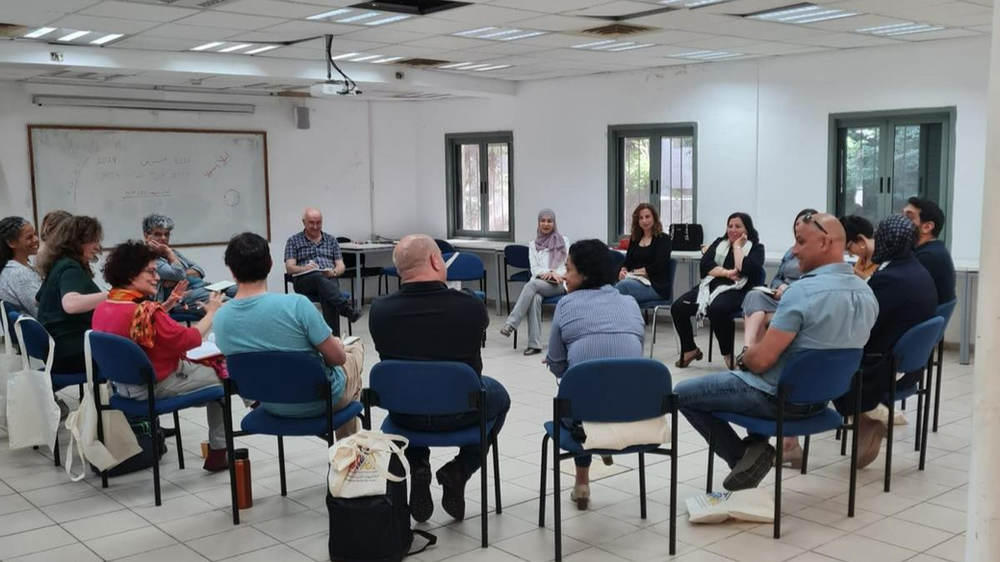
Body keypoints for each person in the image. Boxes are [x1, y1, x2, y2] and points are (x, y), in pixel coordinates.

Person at [675, 213, 877, 491]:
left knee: (682, 394)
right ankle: (755, 446)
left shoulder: (802, 293)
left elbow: (761, 361)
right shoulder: (867, 293)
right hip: (822, 400)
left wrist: (745, 355)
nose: (794, 250)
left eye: (800, 242)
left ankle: (742, 457)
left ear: (826, 242)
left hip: (779, 399)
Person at [369, 234, 510, 523]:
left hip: (405, 415)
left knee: (416, 385)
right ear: (436, 260)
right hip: (462, 412)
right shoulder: (470, 306)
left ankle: (418, 462)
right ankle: (461, 468)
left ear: (399, 271)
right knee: (500, 397)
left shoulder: (379, 311)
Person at [91, 241, 229, 471]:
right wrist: (213, 311)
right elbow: (190, 338)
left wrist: (166, 306)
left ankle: (252, 404)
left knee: (213, 367)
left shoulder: (105, 308)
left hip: (123, 388)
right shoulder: (147, 312)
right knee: (224, 375)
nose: (156, 278)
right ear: (132, 274)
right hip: (154, 388)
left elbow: (138, 329)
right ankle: (219, 452)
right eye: (151, 272)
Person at [213, 232, 364, 438]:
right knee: (354, 349)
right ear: (270, 263)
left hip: (270, 402)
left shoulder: (220, 317)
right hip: (319, 399)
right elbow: (337, 359)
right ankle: (348, 458)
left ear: (231, 270)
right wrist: (335, 345)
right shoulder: (296, 305)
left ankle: (347, 455)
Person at [546, 239, 644, 509]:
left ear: (585, 274)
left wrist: (577, 368)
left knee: (575, 395)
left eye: (568, 268)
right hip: (634, 413)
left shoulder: (566, 305)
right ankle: (603, 444)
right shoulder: (631, 303)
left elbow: (555, 363)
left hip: (583, 417)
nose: (564, 275)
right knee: (589, 386)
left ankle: (582, 483)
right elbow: (636, 358)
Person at [834, 214, 937, 469]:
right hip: (907, 363)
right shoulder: (918, 271)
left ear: (887, 241)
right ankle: (865, 419)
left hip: (879, 364)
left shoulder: (889, 278)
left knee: (822, 359)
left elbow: (866, 324)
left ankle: (865, 417)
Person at [670, 212, 766, 370]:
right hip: (710, 287)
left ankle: (728, 354)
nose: (733, 230)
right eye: (730, 226)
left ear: (747, 229)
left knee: (717, 309)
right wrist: (727, 273)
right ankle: (689, 349)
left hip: (738, 290)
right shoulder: (720, 243)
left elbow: (746, 269)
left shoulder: (756, 248)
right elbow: (705, 264)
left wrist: (737, 247)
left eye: (737, 226)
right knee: (678, 307)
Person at [35, 216, 107, 374]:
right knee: (131, 351)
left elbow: (38, 298)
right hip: (71, 352)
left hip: (57, 350)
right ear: (76, 242)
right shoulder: (70, 269)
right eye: (92, 241)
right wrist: (113, 295)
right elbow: (71, 305)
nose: (97, 247)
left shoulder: (59, 264)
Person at [741, 208, 817, 347]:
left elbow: (813, 281)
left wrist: (788, 289)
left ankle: (756, 357)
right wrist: (778, 287)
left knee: (765, 318)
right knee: (754, 295)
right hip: (780, 295)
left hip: (799, 298)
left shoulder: (818, 251)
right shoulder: (791, 251)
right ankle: (748, 347)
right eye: (797, 224)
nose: (798, 227)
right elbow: (778, 276)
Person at [499, 209, 569, 356]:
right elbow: (535, 269)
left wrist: (557, 274)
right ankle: (534, 345)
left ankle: (511, 324)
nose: (546, 224)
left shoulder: (564, 241)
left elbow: (567, 266)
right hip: (542, 282)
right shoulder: (533, 244)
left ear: (554, 223)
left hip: (559, 284)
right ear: (538, 223)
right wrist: (550, 273)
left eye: (550, 221)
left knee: (531, 286)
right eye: (543, 221)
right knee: (534, 297)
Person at [284, 208, 362, 336]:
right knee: (318, 277)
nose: (315, 226)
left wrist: (333, 272)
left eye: (318, 223)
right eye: (311, 223)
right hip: (304, 280)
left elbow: (341, 265)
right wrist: (306, 268)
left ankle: (333, 338)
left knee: (327, 290)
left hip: (328, 279)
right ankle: (346, 310)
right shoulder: (293, 241)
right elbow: (290, 268)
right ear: (304, 222)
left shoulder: (331, 240)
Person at [142, 214, 233, 312]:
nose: (163, 238)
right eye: (157, 234)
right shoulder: (148, 258)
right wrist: (170, 254)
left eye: (166, 234)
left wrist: (178, 275)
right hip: (181, 297)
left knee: (237, 289)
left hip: (200, 286)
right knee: (229, 305)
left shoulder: (173, 253)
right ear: (147, 236)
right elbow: (180, 275)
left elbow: (199, 270)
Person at [616, 203, 673, 306]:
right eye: (641, 218)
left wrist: (637, 272)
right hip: (634, 280)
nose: (644, 221)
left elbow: (659, 265)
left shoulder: (664, 239)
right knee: (614, 286)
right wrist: (623, 269)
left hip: (655, 286)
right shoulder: (635, 239)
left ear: (654, 218)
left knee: (623, 287)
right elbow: (627, 261)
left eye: (647, 217)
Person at [903, 197, 956, 304]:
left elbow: (900, 292)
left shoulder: (928, 257)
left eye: (908, 218)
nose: (899, 222)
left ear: (927, 227)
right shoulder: (934, 250)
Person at [0, 217, 42, 316]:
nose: (36, 239)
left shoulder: (9, 269)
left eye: (35, 234)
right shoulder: (19, 274)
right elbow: (42, 312)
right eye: (29, 237)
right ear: (11, 242)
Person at [841, 215, 877, 280]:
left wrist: (853, 271)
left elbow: (876, 284)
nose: (850, 254)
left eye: (849, 248)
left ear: (861, 240)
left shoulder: (884, 262)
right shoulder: (862, 260)